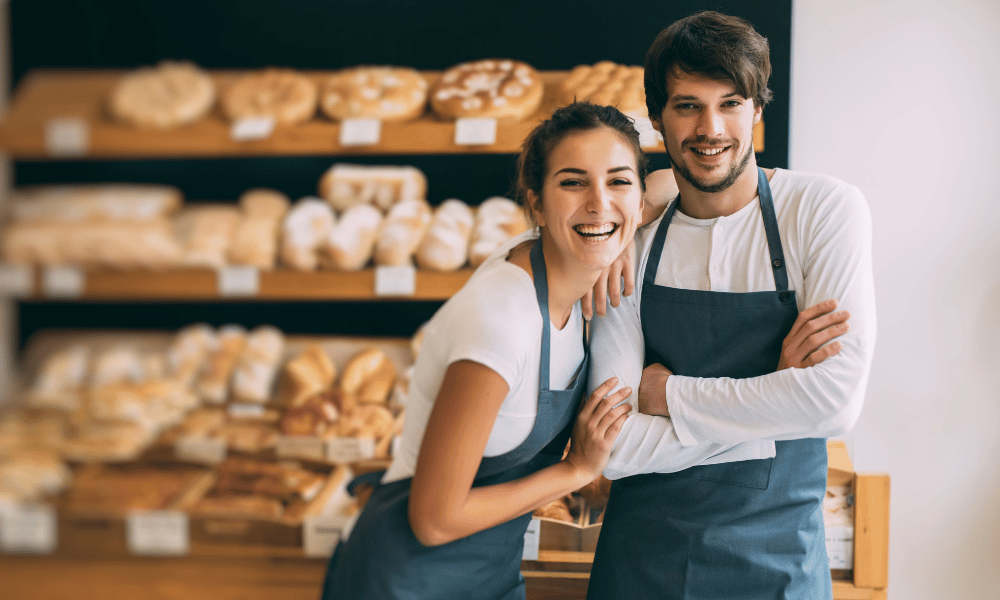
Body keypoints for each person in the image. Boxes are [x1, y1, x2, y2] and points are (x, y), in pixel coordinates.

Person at [585, 10, 876, 600]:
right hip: (643, 565)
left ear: (758, 110)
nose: (710, 127)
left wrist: (667, 395)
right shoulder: (631, 238)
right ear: (658, 119)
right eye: (687, 105)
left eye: (731, 103)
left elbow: (834, 403)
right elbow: (613, 448)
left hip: (777, 566)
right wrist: (775, 393)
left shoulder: (821, 211)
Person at [320, 101, 643, 600]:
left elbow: (662, 191)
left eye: (619, 181)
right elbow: (433, 519)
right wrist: (575, 470)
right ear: (536, 203)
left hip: (488, 573)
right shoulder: (501, 322)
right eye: (573, 182)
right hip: (405, 578)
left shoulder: (556, 267)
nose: (599, 203)